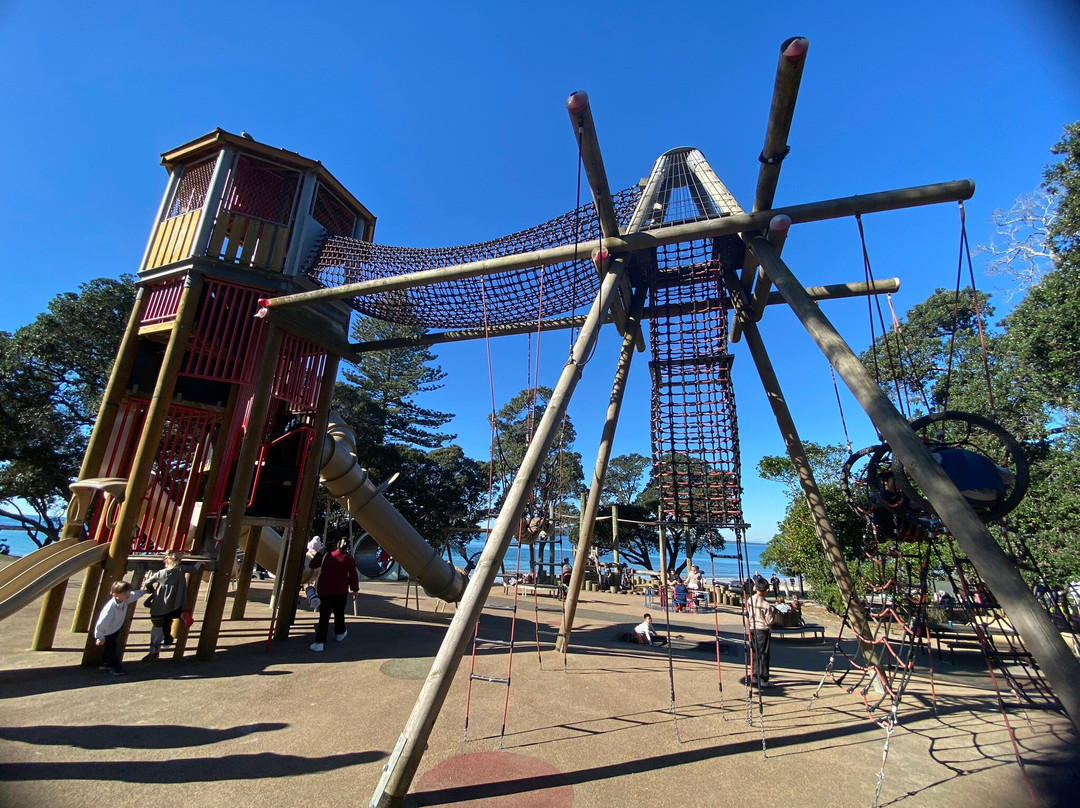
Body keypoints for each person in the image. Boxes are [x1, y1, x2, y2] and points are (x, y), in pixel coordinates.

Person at [142, 551, 206, 661]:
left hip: (160, 602)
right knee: (170, 617)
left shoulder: (160, 573)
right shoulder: (180, 569)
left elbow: (148, 582)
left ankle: (154, 651)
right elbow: (194, 569)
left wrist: (150, 589)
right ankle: (182, 615)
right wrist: (200, 562)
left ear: (166, 561)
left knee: (158, 627)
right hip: (176, 599)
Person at [309, 537, 360, 652]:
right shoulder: (348, 558)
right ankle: (340, 633)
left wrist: (320, 553)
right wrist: (355, 589)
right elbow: (353, 575)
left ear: (336, 545)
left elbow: (312, 565)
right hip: (340, 591)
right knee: (339, 613)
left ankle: (319, 642)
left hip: (325, 590)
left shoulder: (326, 555)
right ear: (346, 547)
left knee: (324, 617)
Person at [94, 580, 145, 675]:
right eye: (125, 593)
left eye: (128, 592)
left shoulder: (125, 600)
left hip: (114, 629)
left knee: (109, 648)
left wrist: (144, 591)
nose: (128, 594)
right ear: (115, 595)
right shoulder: (110, 608)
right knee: (112, 648)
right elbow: (102, 622)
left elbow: (135, 594)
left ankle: (106, 663)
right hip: (107, 631)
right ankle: (115, 667)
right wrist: (100, 636)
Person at [747, 577, 777, 688]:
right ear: (766, 590)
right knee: (764, 655)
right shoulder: (766, 605)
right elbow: (769, 621)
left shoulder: (750, 601)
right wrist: (773, 616)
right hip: (762, 630)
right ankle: (764, 679)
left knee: (755, 653)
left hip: (752, 628)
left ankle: (754, 676)